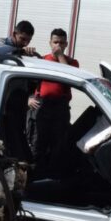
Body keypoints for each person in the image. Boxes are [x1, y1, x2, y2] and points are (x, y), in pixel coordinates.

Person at [28, 28, 79, 174]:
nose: (58, 45)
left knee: (58, 147)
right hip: (41, 106)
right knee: (37, 144)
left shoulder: (71, 63)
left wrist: (60, 57)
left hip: (60, 109)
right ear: (50, 43)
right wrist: (29, 98)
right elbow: (27, 83)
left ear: (66, 44)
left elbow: (69, 77)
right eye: (55, 42)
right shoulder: (42, 60)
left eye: (62, 43)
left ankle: (52, 179)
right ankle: (34, 178)